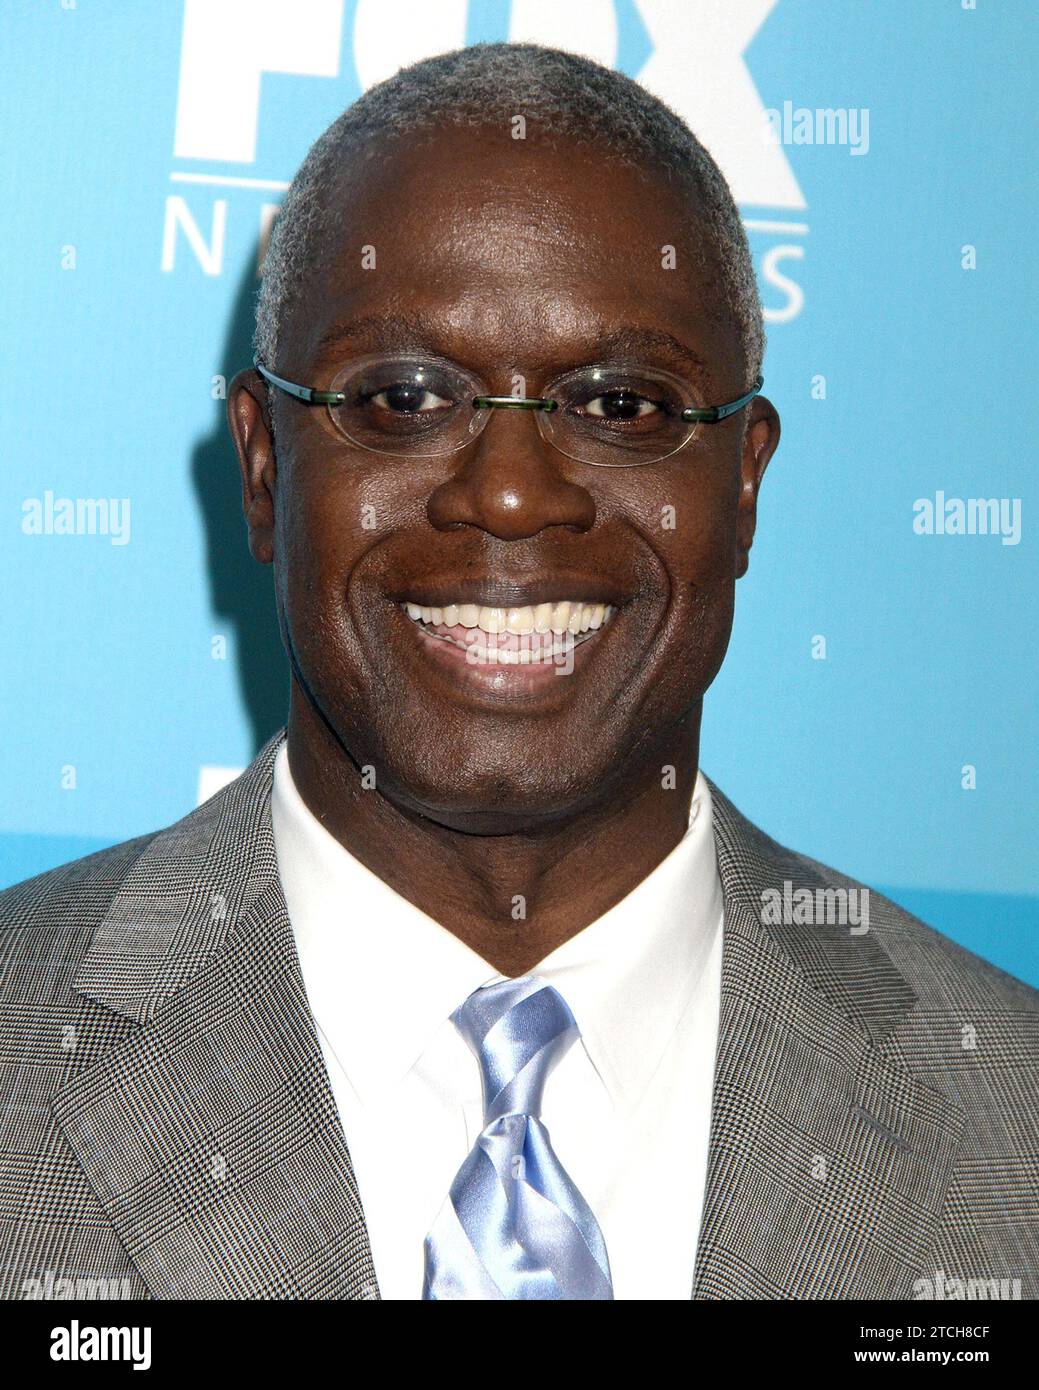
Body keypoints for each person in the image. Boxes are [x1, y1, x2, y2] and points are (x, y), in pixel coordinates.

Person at [1, 43, 1036, 1303]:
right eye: (398, 396)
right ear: (264, 467)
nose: (505, 491)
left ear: (745, 483)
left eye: (620, 406)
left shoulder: (1010, 1116)